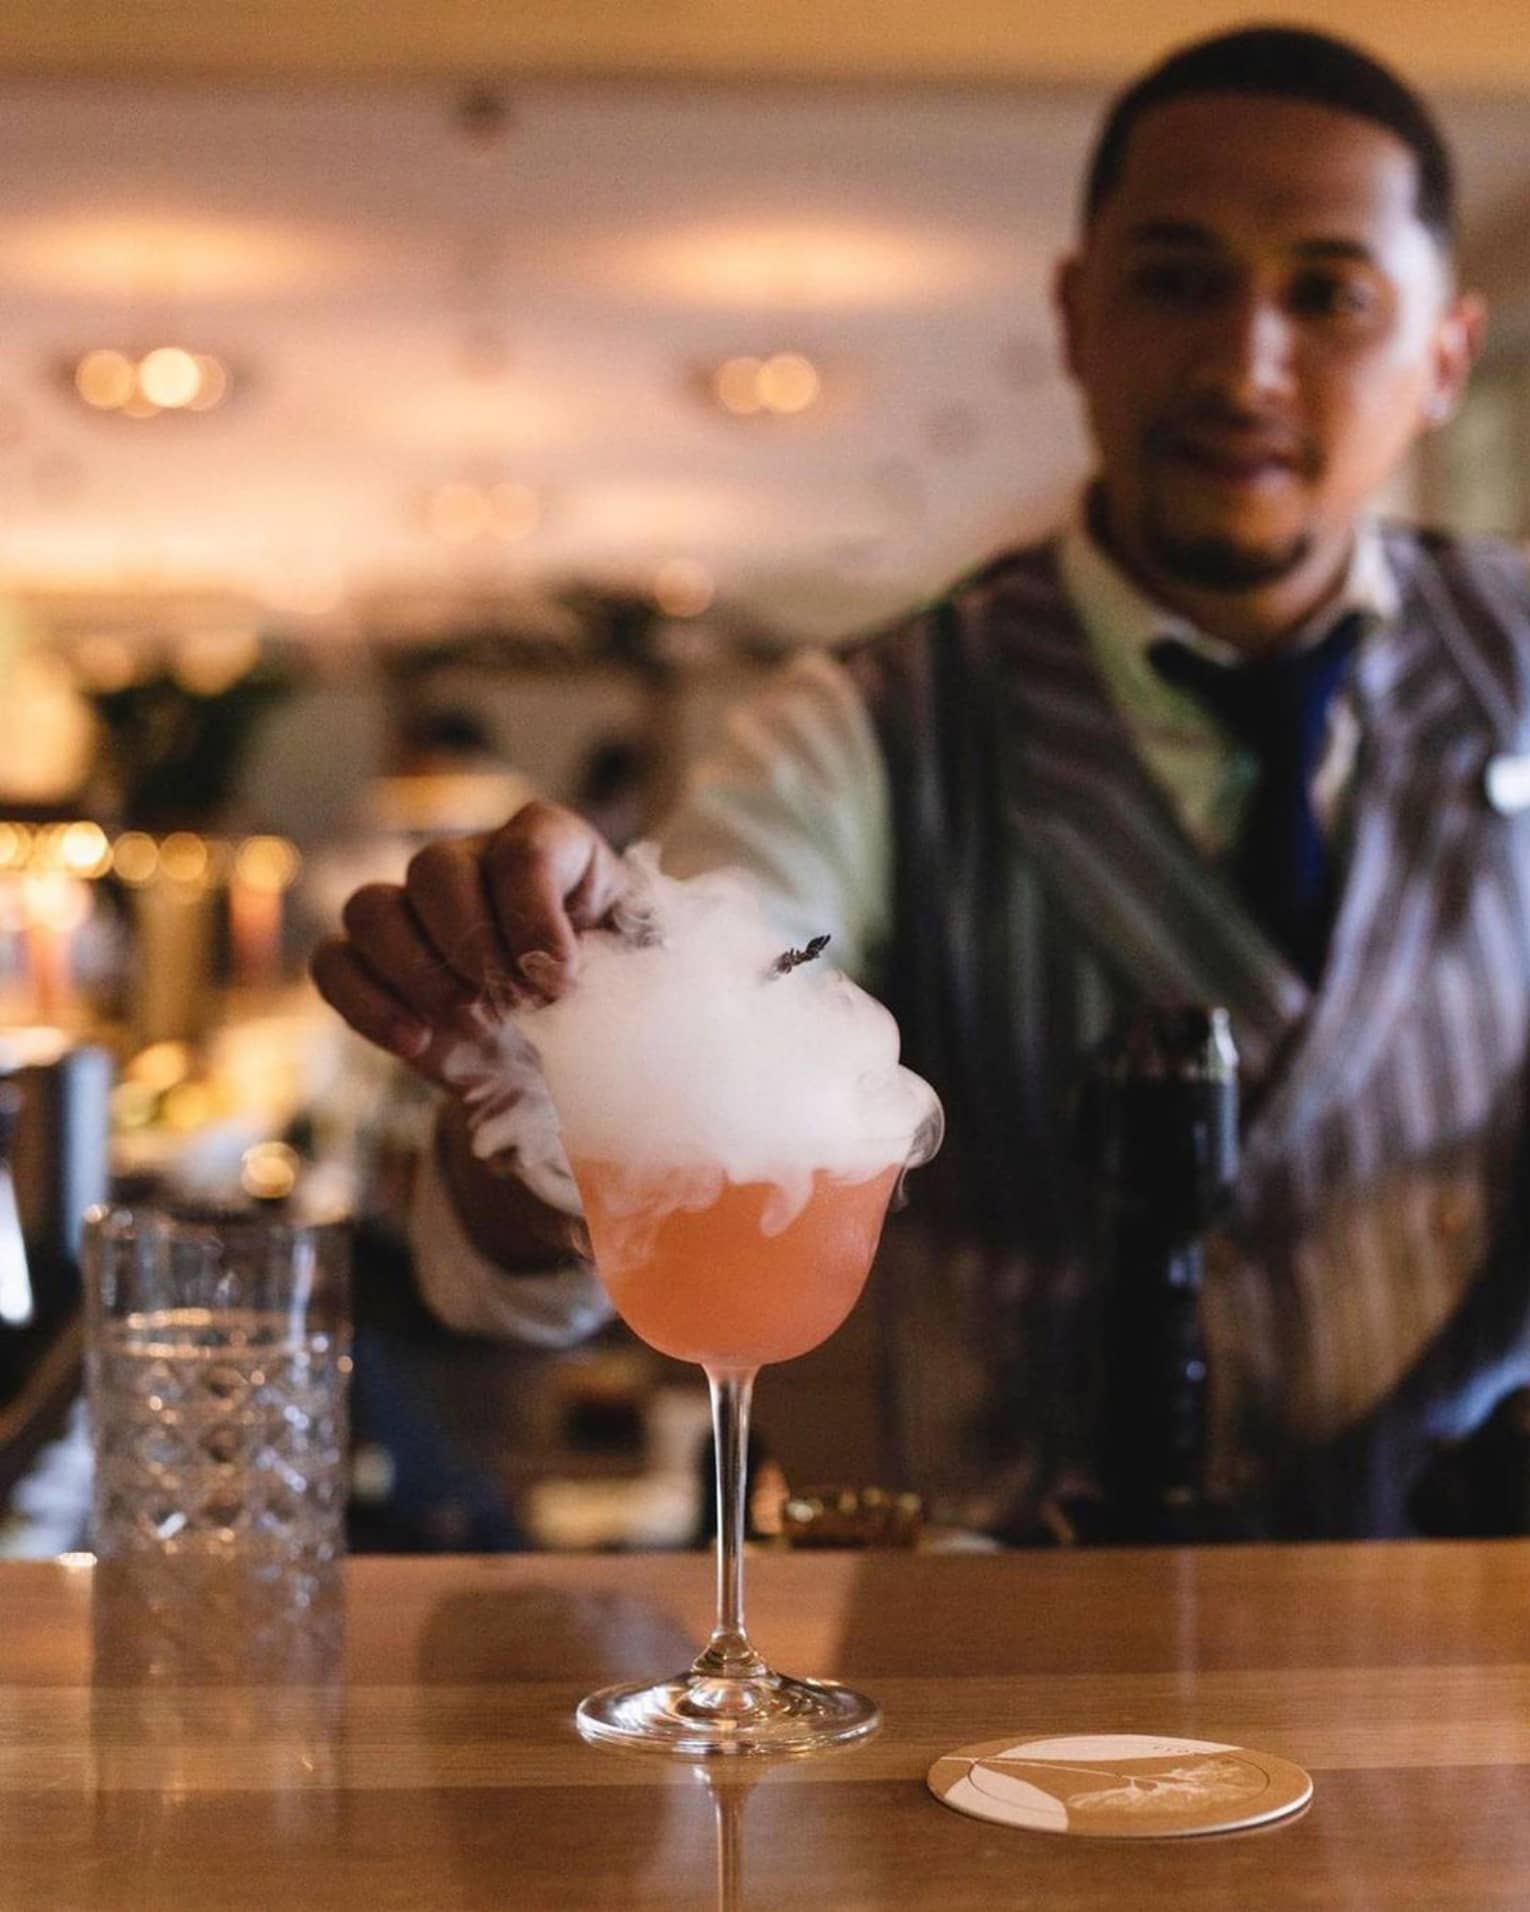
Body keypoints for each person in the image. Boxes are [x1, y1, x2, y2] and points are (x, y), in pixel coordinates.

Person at [313, 26, 1530, 1539]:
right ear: (1076, 315)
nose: (1243, 361)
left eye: (1326, 295)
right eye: (1175, 277)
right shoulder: (865, 722)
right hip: (991, 1638)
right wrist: (582, 1003)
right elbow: (703, 991)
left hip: (1450, 1608)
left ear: (1443, 358)